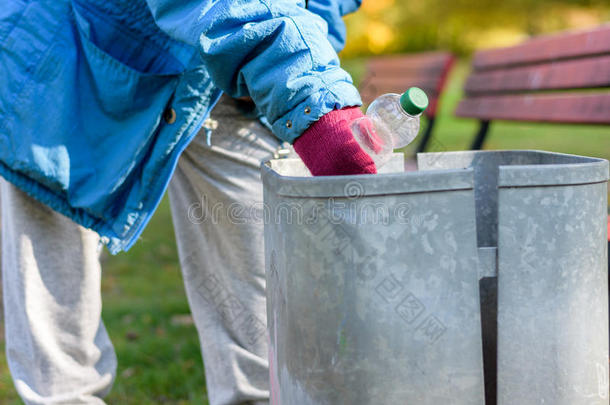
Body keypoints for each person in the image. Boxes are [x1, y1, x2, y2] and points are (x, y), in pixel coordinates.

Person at [0, 0, 376, 404]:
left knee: (255, 284)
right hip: (76, 44)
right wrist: (312, 98)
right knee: (52, 261)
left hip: (231, 65)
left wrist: (309, 48)